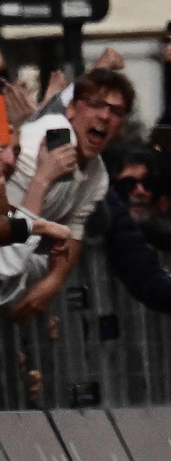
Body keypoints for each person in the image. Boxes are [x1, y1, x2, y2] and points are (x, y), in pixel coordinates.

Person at [1, 68, 132, 319]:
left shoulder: (98, 176)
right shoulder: (48, 138)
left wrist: (53, 281)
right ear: (70, 109)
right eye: (95, 104)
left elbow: (72, 232)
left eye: (116, 111)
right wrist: (42, 181)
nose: (105, 115)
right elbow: (10, 249)